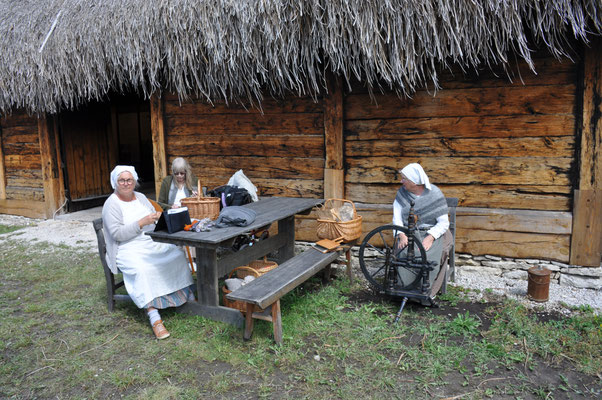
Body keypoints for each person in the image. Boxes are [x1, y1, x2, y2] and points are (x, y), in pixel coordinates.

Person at [102, 165, 195, 339]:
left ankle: (184, 295)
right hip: (126, 248)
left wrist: (158, 217)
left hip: (148, 242)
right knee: (144, 268)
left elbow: (153, 219)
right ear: (115, 182)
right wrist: (141, 223)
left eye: (129, 180)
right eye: (122, 180)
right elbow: (117, 234)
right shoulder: (111, 204)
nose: (126, 183)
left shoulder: (141, 197)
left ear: (135, 181)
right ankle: (154, 316)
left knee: (176, 254)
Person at [393, 163, 449, 288]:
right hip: (408, 232)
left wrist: (430, 237)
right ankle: (406, 288)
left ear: (414, 181)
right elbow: (396, 218)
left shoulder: (434, 194)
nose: (401, 181)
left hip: (432, 231)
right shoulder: (402, 194)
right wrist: (401, 235)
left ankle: (424, 291)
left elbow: (443, 223)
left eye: (404, 179)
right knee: (404, 254)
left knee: (427, 256)